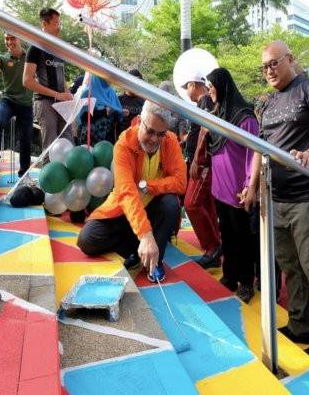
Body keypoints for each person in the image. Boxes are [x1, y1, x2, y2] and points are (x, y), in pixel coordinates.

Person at [245, 40, 309, 366]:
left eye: (274, 63)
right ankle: (301, 325)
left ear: (291, 59)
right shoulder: (271, 102)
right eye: (264, 67)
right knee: (290, 268)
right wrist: (252, 187)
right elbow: (262, 148)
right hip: (277, 198)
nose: (269, 71)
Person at [77, 100, 186, 281]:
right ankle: (140, 247)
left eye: (161, 134)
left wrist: (148, 186)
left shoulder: (171, 141)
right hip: (124, 211)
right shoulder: (124, 143)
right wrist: (145, 234)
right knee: (87, 240)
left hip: (153, 210)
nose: (154, 139)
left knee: (170, 203)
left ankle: (154, 262)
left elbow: (181, 183)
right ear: (139, 120)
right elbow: (126, 193)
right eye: (150, 131)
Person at [205, 68, 259, 303]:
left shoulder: (245, 117)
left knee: (242, 237)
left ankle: (246, 282)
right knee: (226, 234)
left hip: (238, 190)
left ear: (223, 86)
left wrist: (250, 185)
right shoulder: (220, 115)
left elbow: (252, 153)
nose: (209, 90)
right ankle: (230, 275)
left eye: (211, 86)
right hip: (220, 188)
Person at [181, 72, 221, 269]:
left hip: (203, 163)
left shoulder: (205, 100)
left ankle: (212, 247)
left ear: (193, 85)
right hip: (203, 161)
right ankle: (215, 248)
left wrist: (197, 159)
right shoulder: (204, 102)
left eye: (187, 86)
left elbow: (205, 130)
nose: (187, 91)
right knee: (207, 205)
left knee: (191, 204)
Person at [23, 8, 73, 156]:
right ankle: (48, 177)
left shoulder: (58, 49)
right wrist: (57, 94)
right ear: (45, 24)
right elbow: (27, 81)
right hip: (45, 102)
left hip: (62, 102)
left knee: (68, 141)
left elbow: (60, 75)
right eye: (56, 23)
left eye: (60, 23)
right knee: (51, 147)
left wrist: (68, 94)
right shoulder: (35, 48)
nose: (60, 27)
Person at [0, 33, 33, 177]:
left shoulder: (30, 57)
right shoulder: (2, 58)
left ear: (19, 38)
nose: (9, 41)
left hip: (26, 103)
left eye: (12, 38)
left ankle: (24, 172)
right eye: (6, 39)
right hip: (8, 100)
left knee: (26, 137)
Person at [76, 75, 122, 145]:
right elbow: (83, 117)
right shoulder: (87, 93)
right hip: (91, 138)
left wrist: (119, 112)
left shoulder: (111, 93)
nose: (110, 81)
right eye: (107, 78)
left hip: (108, 138)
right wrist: (104, 112)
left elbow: (117, 117)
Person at [118, 69, 145, 134]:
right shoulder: (118, 100)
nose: (134, 85)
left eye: (137, 82)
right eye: (132, 82)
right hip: (120, 138)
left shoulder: (144, 102)